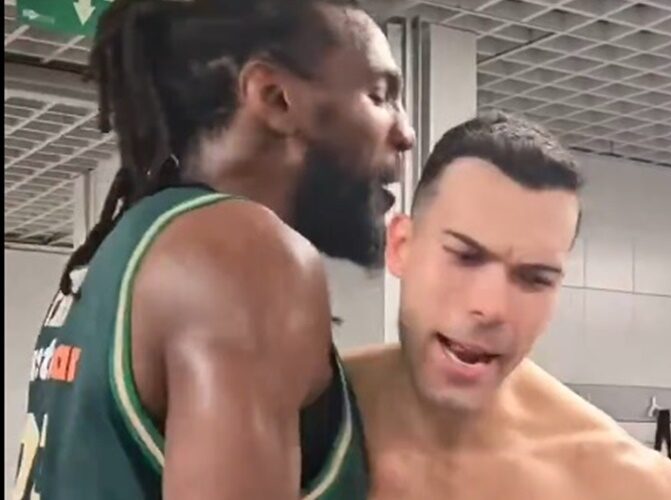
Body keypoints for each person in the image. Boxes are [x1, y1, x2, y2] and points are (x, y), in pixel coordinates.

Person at [12, 0, 414, 498]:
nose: (406, 133)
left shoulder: (124, 250)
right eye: (379, 96)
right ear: (275, 98)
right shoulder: (241, 256)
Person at [345, 112, 671, 500]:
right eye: (465, 257)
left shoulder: (628, 487)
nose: (492, 307)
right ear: (401, 247)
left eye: (534, 278)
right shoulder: (308, 412)